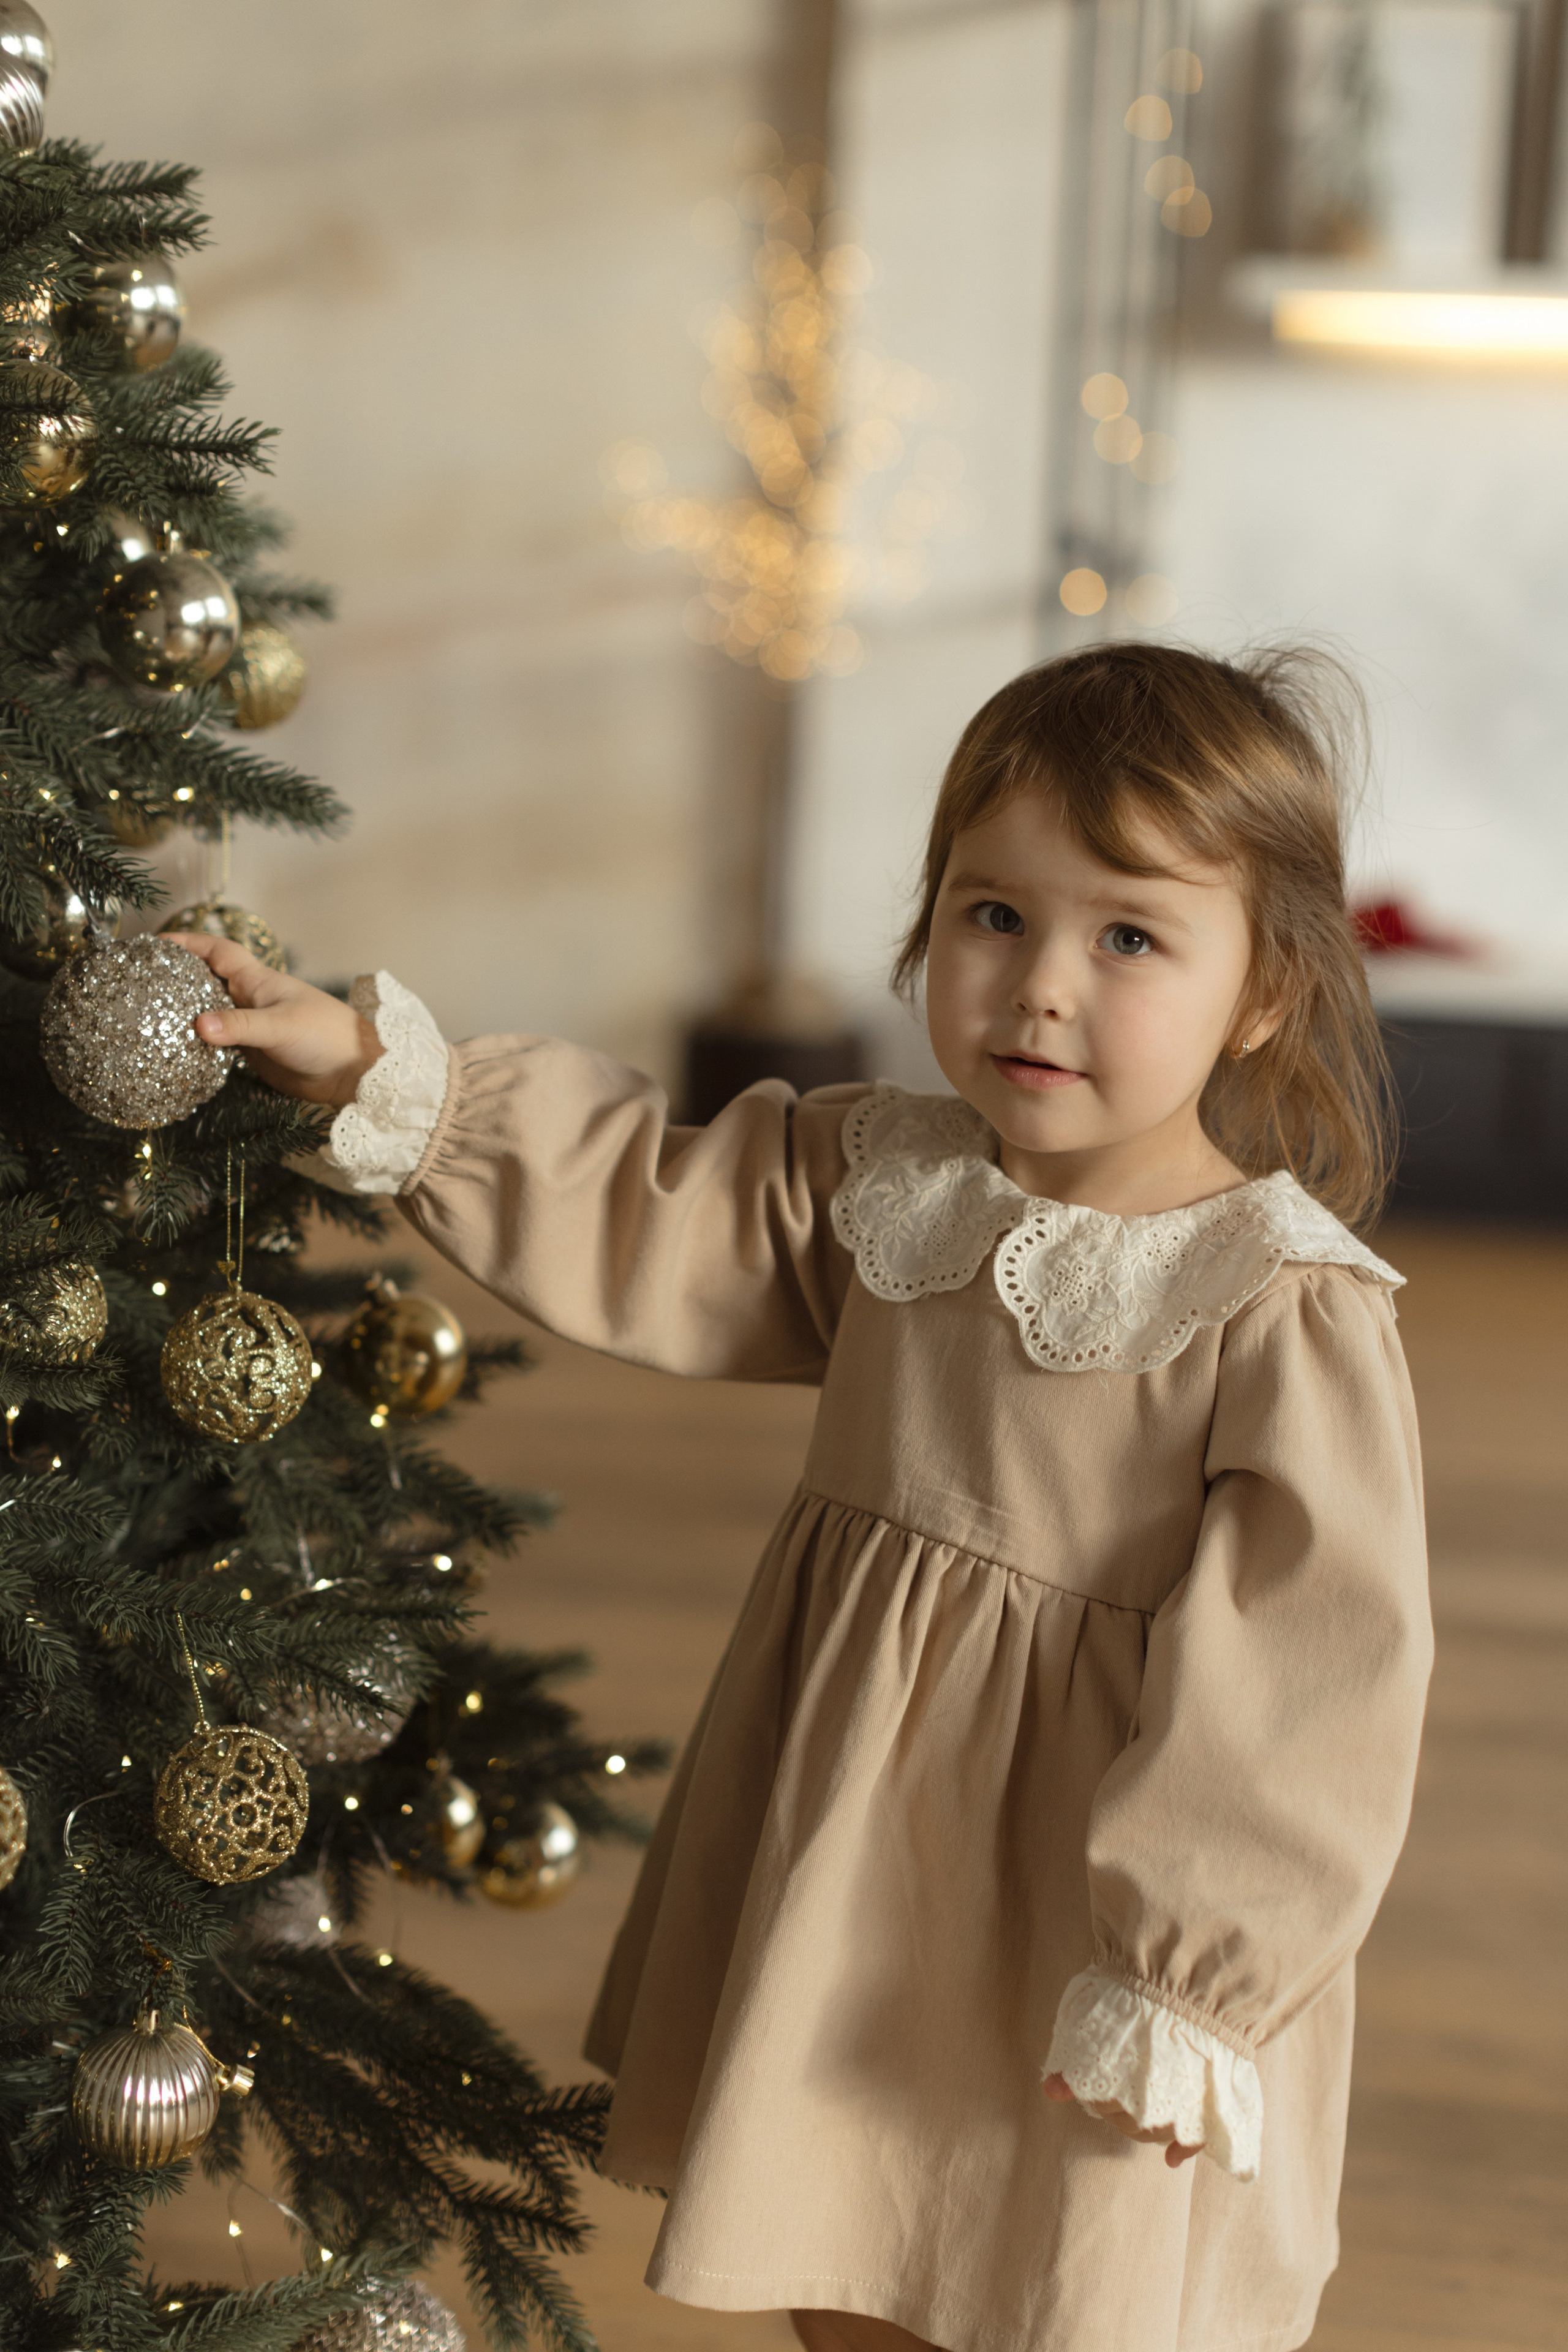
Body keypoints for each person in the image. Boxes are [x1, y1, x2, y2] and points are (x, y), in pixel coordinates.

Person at [176, 643, 1432, 2352]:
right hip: (867, 1861)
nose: (1040, 986)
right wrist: (369, 1073)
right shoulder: (887, 1174)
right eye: (993, 916)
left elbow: (1311, 1685)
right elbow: (651, 1199)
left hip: (1096, 1911)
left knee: (1062, 2276)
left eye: (1129, 936)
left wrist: (1184, 1977)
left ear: (1266, 990)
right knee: (852, 2245)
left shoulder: (1277, 1300)